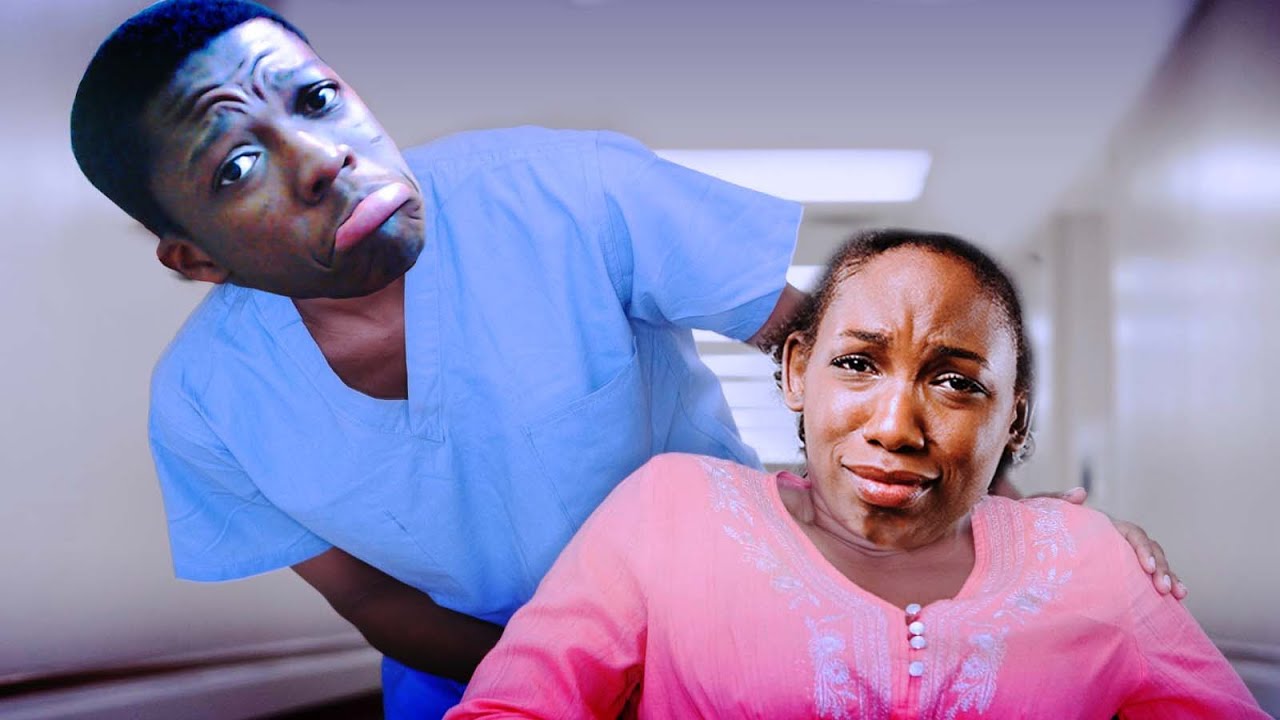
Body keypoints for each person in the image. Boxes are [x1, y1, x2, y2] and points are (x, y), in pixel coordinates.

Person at [69, 2, 1182, 715]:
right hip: (464, 667)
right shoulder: (205, 407)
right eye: (234, 167)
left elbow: (839, 358)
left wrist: (1026, 545)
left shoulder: (568, 195)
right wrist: (573, 673)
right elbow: (365, 594)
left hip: (734, 628)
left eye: (316, 100)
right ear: (192, 258)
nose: (321, 160)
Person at [445, 230, 1264, 719]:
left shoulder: (1091, 559)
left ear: (1012, 419)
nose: (895, 426)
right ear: (797, 371)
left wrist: (1085, 541)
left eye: (956, 381)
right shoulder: (669, 513)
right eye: (858, 364)